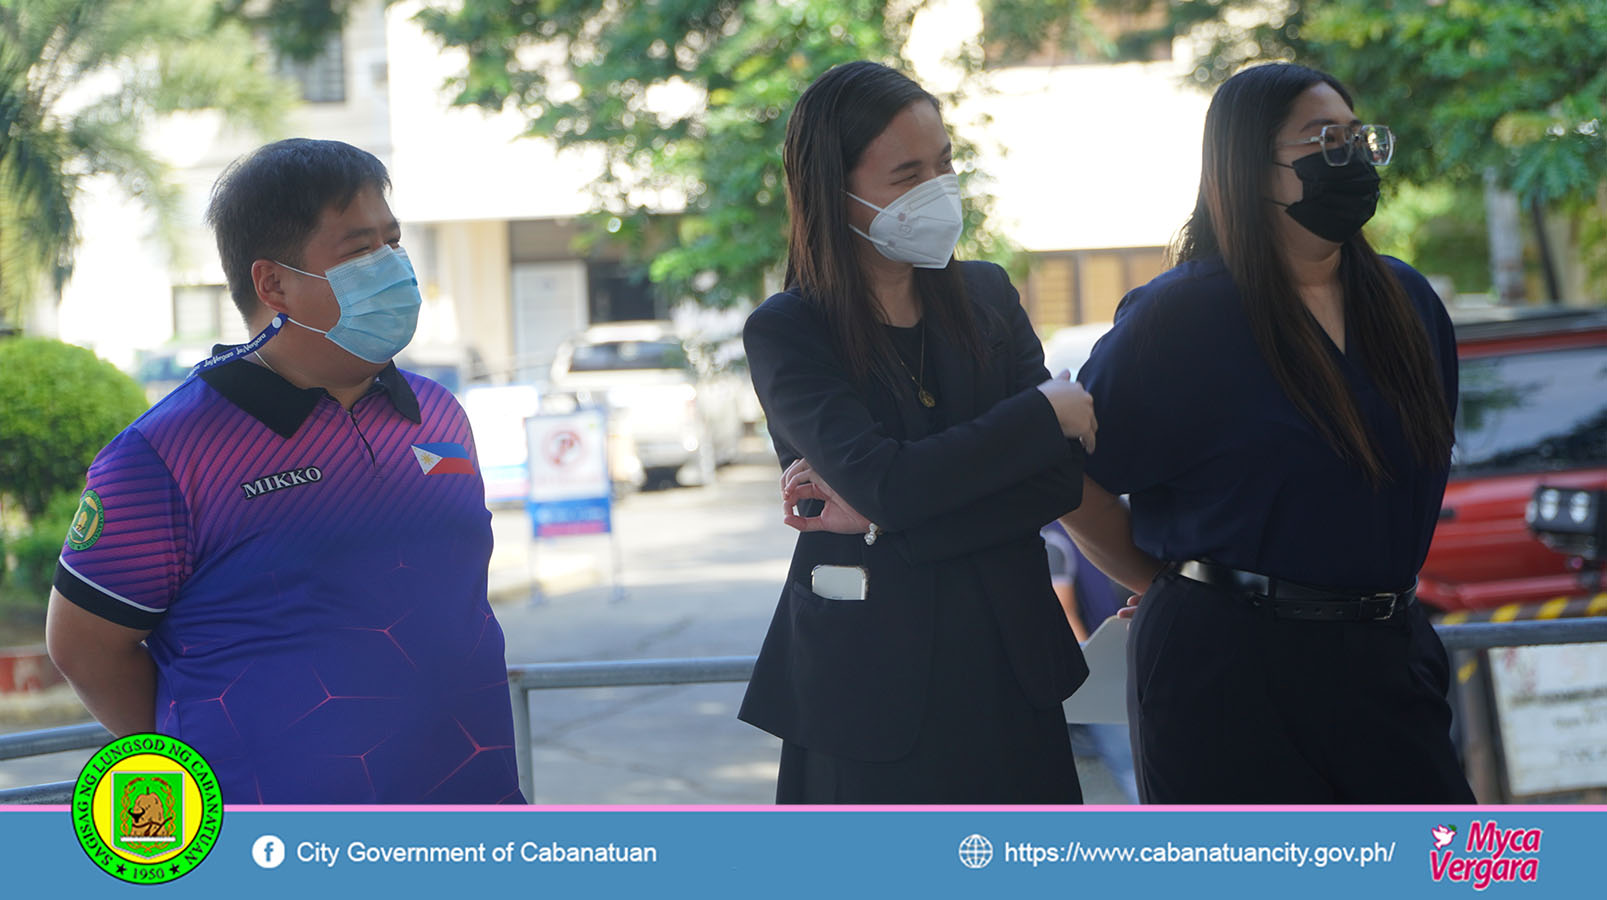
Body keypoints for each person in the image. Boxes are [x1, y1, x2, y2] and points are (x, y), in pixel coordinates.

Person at [45, 139, 524, 804]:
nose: (392, 266)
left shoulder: (439, 415)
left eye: (393, 240)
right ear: (273, 283)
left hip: (472, 823)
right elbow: (85, 651)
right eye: (359, 250)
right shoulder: (167, 453)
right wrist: (213, 761)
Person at [1061, 63, 1475, 804]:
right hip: (1225, 671)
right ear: (1248, 170)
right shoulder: (1179, 317)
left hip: (1386, 657)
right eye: (1322, 141)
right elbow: (1064, 471)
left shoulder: (1408, 302)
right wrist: (1168, 587)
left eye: (1357, 138)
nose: (1348, 159)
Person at [738, 61, 1099, 804]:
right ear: (833, 192)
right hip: (865, 696)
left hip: (1011, 669)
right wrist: (1038, 416)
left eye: (943, 165)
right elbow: (889, 483)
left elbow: (1058, 481)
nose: (936, 189)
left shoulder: (986, 294)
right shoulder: (790, 331)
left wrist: (888, 518)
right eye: (906, 174)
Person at [1041, 522, 1140, 804]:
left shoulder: (1056, 539)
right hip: (1111, 660)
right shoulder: (1059, 541)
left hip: (1111, 660)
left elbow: (1066, 615)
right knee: (1134, 766)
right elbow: (1067, 615)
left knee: (1132, 767)